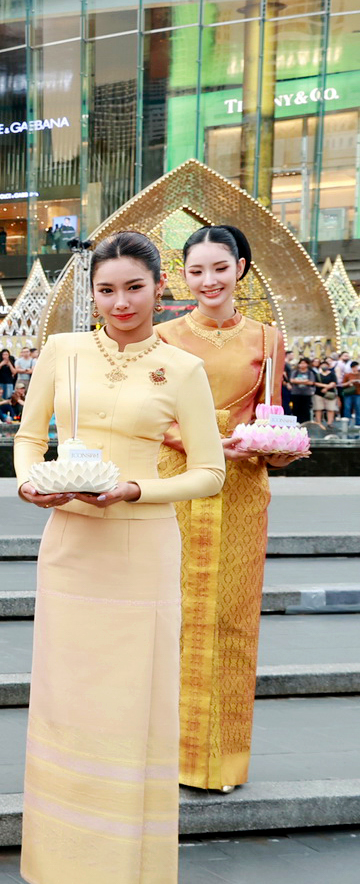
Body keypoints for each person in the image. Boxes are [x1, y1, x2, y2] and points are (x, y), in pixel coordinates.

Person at [15, 230, 222, 884]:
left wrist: (136, 490)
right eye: (106, 289)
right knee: (69, 705)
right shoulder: (63, 351)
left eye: (134, 287)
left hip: (142, 551)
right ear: (92, 292)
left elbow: (209, 472)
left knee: (130, 712)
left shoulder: (182, 369)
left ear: (161, 287)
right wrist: (30, 482)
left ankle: (120, 878)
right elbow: (28, 437)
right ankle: (65, 871)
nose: (120, 302)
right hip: (71, 543)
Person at [155, 225, 300, 792]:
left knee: (234, 619)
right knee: (173, 614)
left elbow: (272, 416)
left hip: (241, 488)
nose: (209, 281)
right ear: (182, 276)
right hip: (178, 482)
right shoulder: (162, 337)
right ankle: (168, 755)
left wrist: (276, 448)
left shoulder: (268, 338)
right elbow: (151, 417)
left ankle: (222, 761)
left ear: (240, 268)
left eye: (220, 268)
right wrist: (205, 444)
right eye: (197, 271)